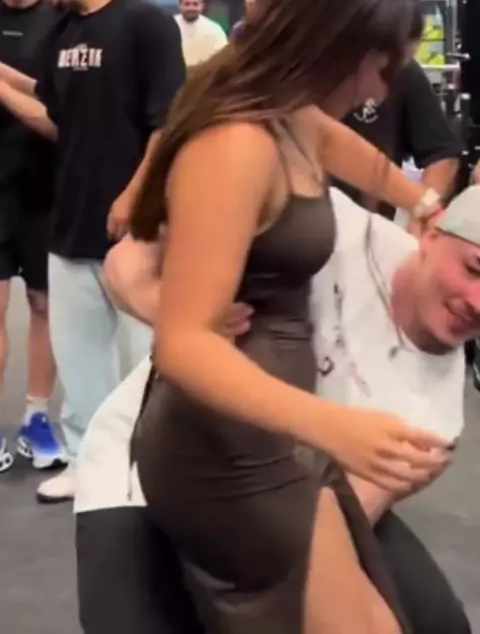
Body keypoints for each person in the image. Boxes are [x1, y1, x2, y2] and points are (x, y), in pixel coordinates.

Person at [122, 0, 454, 634]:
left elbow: (345, 150)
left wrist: (422, 203)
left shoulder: (290, 118)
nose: (380, 91)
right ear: (339, 43)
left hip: (276, 432)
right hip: (221, 449)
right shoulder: (236, 144)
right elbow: (183, 344)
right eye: (381, 68)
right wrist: (332, 425)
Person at [75, 185, 477, 634]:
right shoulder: (324, 229)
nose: (477, 302)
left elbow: (316, 536)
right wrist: (184, 330)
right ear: (432, 236)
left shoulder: (437, 421)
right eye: (473, 269)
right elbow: (128, 262)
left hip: (277, 504)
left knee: (435, 622)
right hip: (140, 465)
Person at [0, 0, 186, 502]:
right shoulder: (61, 32)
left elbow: (167, 124)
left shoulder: (145, 23)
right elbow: (50, 111)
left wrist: (134, 195)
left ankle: (149, 465)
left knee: (143, 358)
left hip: (135, 225)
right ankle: (88, 459)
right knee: (79, 358)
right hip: (70, 219)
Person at [0, 0, 65, 473]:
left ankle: (37, 416)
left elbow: (58, 100)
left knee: (45, 304)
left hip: (47, 184)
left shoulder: (61, 18)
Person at [336, 58, 459, 225]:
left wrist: (422, 212)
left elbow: (441, 154)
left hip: (372, 227)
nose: (379, 94)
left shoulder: (404, 70)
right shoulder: (302, 89)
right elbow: (326, 140)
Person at [174, 0, 227, 68]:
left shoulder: (214, 29)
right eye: (187, 4)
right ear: (179, 6)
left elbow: (222, 57)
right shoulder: (170, 25)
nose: (191, 8)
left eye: (195, 4)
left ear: (202, 6)